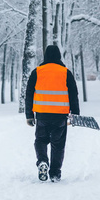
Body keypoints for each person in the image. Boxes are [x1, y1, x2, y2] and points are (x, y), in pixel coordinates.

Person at [25, 45, 80, 182]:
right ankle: (55, 173)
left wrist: (29, 115)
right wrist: (75, 114)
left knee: (41, 140)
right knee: (58, 145)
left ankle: (42, 161)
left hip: (42, 115)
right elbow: (73, 94)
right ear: (59, 56)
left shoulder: (37, 72)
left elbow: (29, 94)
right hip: (60, 116)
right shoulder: (65, 72)